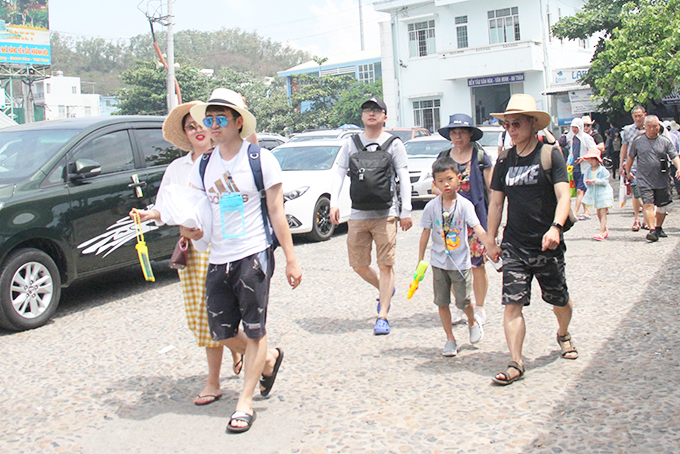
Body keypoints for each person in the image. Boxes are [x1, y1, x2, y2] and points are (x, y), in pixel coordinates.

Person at [186, 88, 302, 433]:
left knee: (254, 328)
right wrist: (190, 230)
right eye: (209, 119)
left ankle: (245, 402)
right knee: (219, 330)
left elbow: (277, 212)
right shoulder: (203, 164)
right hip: (216, 256)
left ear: (239, 122)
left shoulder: (260, 159)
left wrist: (292, 260)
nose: (213, 126)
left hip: (253, 253)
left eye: (221, 119)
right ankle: (268, 360)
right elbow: (199, 210)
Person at [130, 101, 244, 406]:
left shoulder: (225, 161)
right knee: (200, 318)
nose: (198, 131)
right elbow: (166, 206)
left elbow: (236, 204)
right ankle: (235, 360)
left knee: (221, 315)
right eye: (190, 127)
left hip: (223, 248)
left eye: (202, 125)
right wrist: (147, 215)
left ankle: (219, 375)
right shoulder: (177, 168)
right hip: (193, 253)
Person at [486, 94, 577, 386]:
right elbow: (496, 203)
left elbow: (565, 195)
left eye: (517, 123)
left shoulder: (550, 154)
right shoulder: (504, 159)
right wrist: (491, 239)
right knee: (512, 305)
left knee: (558, 299)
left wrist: (555, 227)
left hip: (546, 244)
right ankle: (516, 361)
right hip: (515, 245)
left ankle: (563, 333)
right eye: (507, 124)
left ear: (532, 124)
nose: (511, 129)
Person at [329, 96, 412, 336]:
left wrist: (405, 210)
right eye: (367, 110)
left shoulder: (394, 144)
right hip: (357, 213)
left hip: (386, 214)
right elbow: (339, 172)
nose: (371, 113)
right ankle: (386, 288)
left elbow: (403, 176)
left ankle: (383, 315)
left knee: (385, 264)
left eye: (377, 110)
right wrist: (334, 202)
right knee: (358, 265)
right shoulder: (351, 143)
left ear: (385, 116)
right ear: (362, 116)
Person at [418, 157, 495, 356]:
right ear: (434, 183)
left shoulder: (465, 205)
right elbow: (425, 232)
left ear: (458, 179)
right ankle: (450, 339)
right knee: (441, 302)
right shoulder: (431, 207)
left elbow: (477, 227)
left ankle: (472, 321)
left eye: (450, 179)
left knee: (463, 301)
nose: (446, 184)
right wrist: (421, 259)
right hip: (438, 262)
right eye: (441, 181)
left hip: (461, 262)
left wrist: (490, 245)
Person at [434, 113, 493, 325]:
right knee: (452, 264)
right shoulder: (443, 157)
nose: (458, 137)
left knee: (477, 265)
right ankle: (460, 305)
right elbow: (435, 185)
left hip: (475, 219)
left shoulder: (480, 156)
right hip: (450, 220)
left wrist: (494, 223)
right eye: (454, 133)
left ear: (470, 134)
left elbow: (492, 189)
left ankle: (480, 307)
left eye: (462, 132)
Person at [625, 115, 680, 242]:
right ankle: (652, 230)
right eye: (649, 126)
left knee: (662, 206)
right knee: (648, 204)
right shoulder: (638, 141)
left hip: (661, 178)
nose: (652, 129)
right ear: (645, 127)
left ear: (659, 127)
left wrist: (679, 168)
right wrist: (628, 171)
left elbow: (674, 156)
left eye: (655, 126)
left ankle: (658, 227)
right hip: (644, 179)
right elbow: (631, 158)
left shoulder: (665, 141)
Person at [620, 105, 647, 231]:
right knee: (636, 193)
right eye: (635, 116)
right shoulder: (628, 130)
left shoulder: (651, 127)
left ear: (644, 115)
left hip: (649, 166)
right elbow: (624, 147)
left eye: (640, 115)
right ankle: (637, 218)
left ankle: (647, 219)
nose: (637, 118)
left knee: (649, 193)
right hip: (634, 166)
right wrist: (622, 165)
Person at [567, 118, 597, 220]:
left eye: (576, 127)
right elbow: (572, 152)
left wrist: (584, 158)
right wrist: (568, 162)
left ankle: (575, 212)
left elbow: (594, 150)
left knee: (580, 190)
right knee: (582, 191)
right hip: (575, 168)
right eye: (573, 127)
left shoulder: (586, 138)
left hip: (585, 168)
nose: (574, 129)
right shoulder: (573, 138)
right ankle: (586, 212)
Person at [582, 148, 614, 241]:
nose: (590, 161)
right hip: (594, 193)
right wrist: (587, 183)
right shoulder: (588, 170)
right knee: (598, 212)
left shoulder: (603, 170)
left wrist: (594, 180)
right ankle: (604, 229)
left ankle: (601, 232)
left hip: (603, 193)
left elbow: (605, 182)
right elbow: (586, 180)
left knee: (603, 212)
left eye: (592, 159)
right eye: (589, 159)